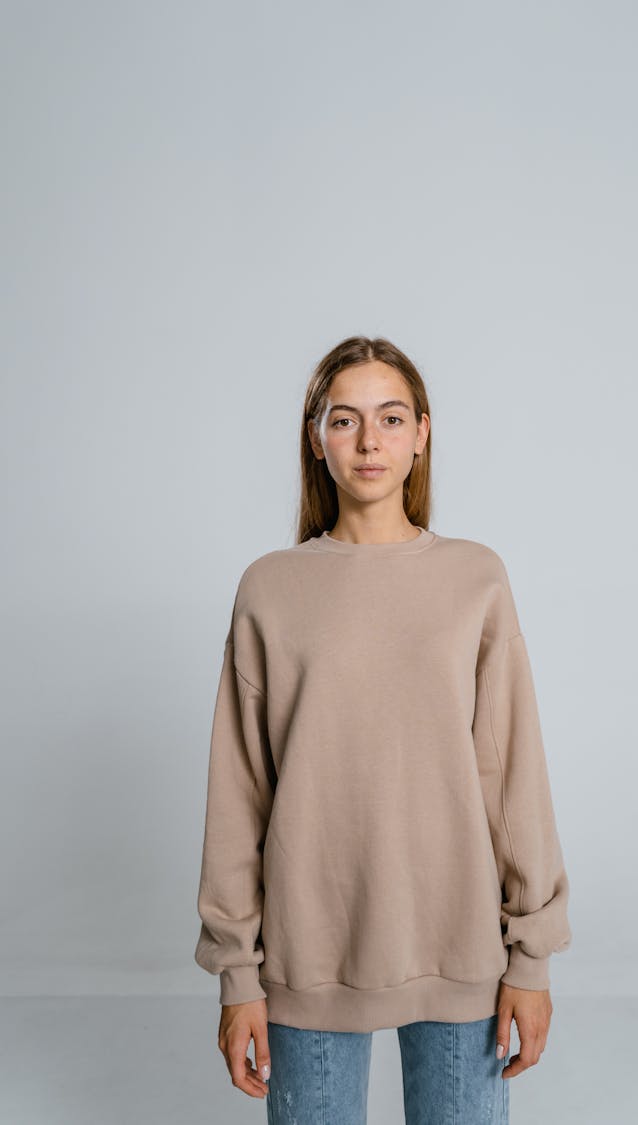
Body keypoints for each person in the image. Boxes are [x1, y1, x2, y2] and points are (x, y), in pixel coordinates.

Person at [194, 335, 572, 1124]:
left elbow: (512, 777)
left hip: (459, 948)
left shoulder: (476, 577)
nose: (370, 441)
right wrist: (238, 976)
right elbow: (240, 793)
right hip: (309, 958)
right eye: (346, 419)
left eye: (391, 418)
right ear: (316, 436)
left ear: (422, 433)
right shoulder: (270, 587)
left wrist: (530, 958)